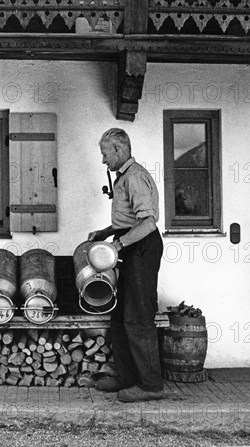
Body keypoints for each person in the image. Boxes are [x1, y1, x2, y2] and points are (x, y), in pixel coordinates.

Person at [88, 128, 164, 403]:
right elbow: (129, 220)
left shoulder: (135, 177)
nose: (103, 160)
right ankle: (127, 378)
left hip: (141, 248)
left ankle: (151, 385)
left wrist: (118, 245)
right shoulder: (125, 177)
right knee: (120, 317)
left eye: (105, 154)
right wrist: (106, 233)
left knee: (138, 317)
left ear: (119, 150)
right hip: (129, 245)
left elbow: (147, 223)